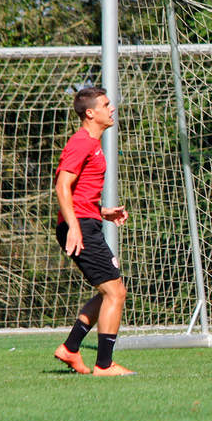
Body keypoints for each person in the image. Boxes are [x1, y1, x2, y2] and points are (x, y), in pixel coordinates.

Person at [52, 87, 134, 376]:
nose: (112, 109)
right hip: (81, 227)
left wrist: (103, 212)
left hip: (88, 222)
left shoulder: (93, 144)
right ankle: (104, 365)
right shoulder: (82, 143)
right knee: (115, 292)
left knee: (110, 291)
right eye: (106, 105)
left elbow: (78, 195)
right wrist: (75, 227)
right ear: (91, 113)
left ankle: (71, 348)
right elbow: (62, 186)